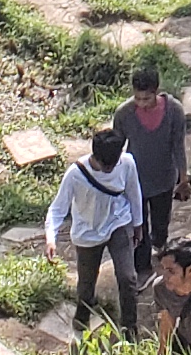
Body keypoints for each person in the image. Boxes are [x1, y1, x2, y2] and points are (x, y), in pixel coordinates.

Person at [42, 125, 145, 341]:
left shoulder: (126, 163)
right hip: (87, 233)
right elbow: (57, 208)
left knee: (128, 277)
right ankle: (81, 321)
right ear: (95, 156)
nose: (109, 168)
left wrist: (138, 224)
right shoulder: (75, 175)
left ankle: (130, 328)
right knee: (86, 284)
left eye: (113, 163)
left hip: (119, 223)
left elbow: (134, 193)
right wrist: (51, 238)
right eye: (105, 164)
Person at [111, 56, 189, 273]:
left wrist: (183, 178)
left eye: (147, 98)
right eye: (137, 98)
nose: (142, 103)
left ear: (157, 91)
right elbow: (115, 150)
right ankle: (142, 266)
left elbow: (178, 146)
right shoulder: (124, 114)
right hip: (134, 180)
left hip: (164, 177)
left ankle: (161, 247)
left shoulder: (174, 111)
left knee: (161, 222)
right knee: (139, 225)